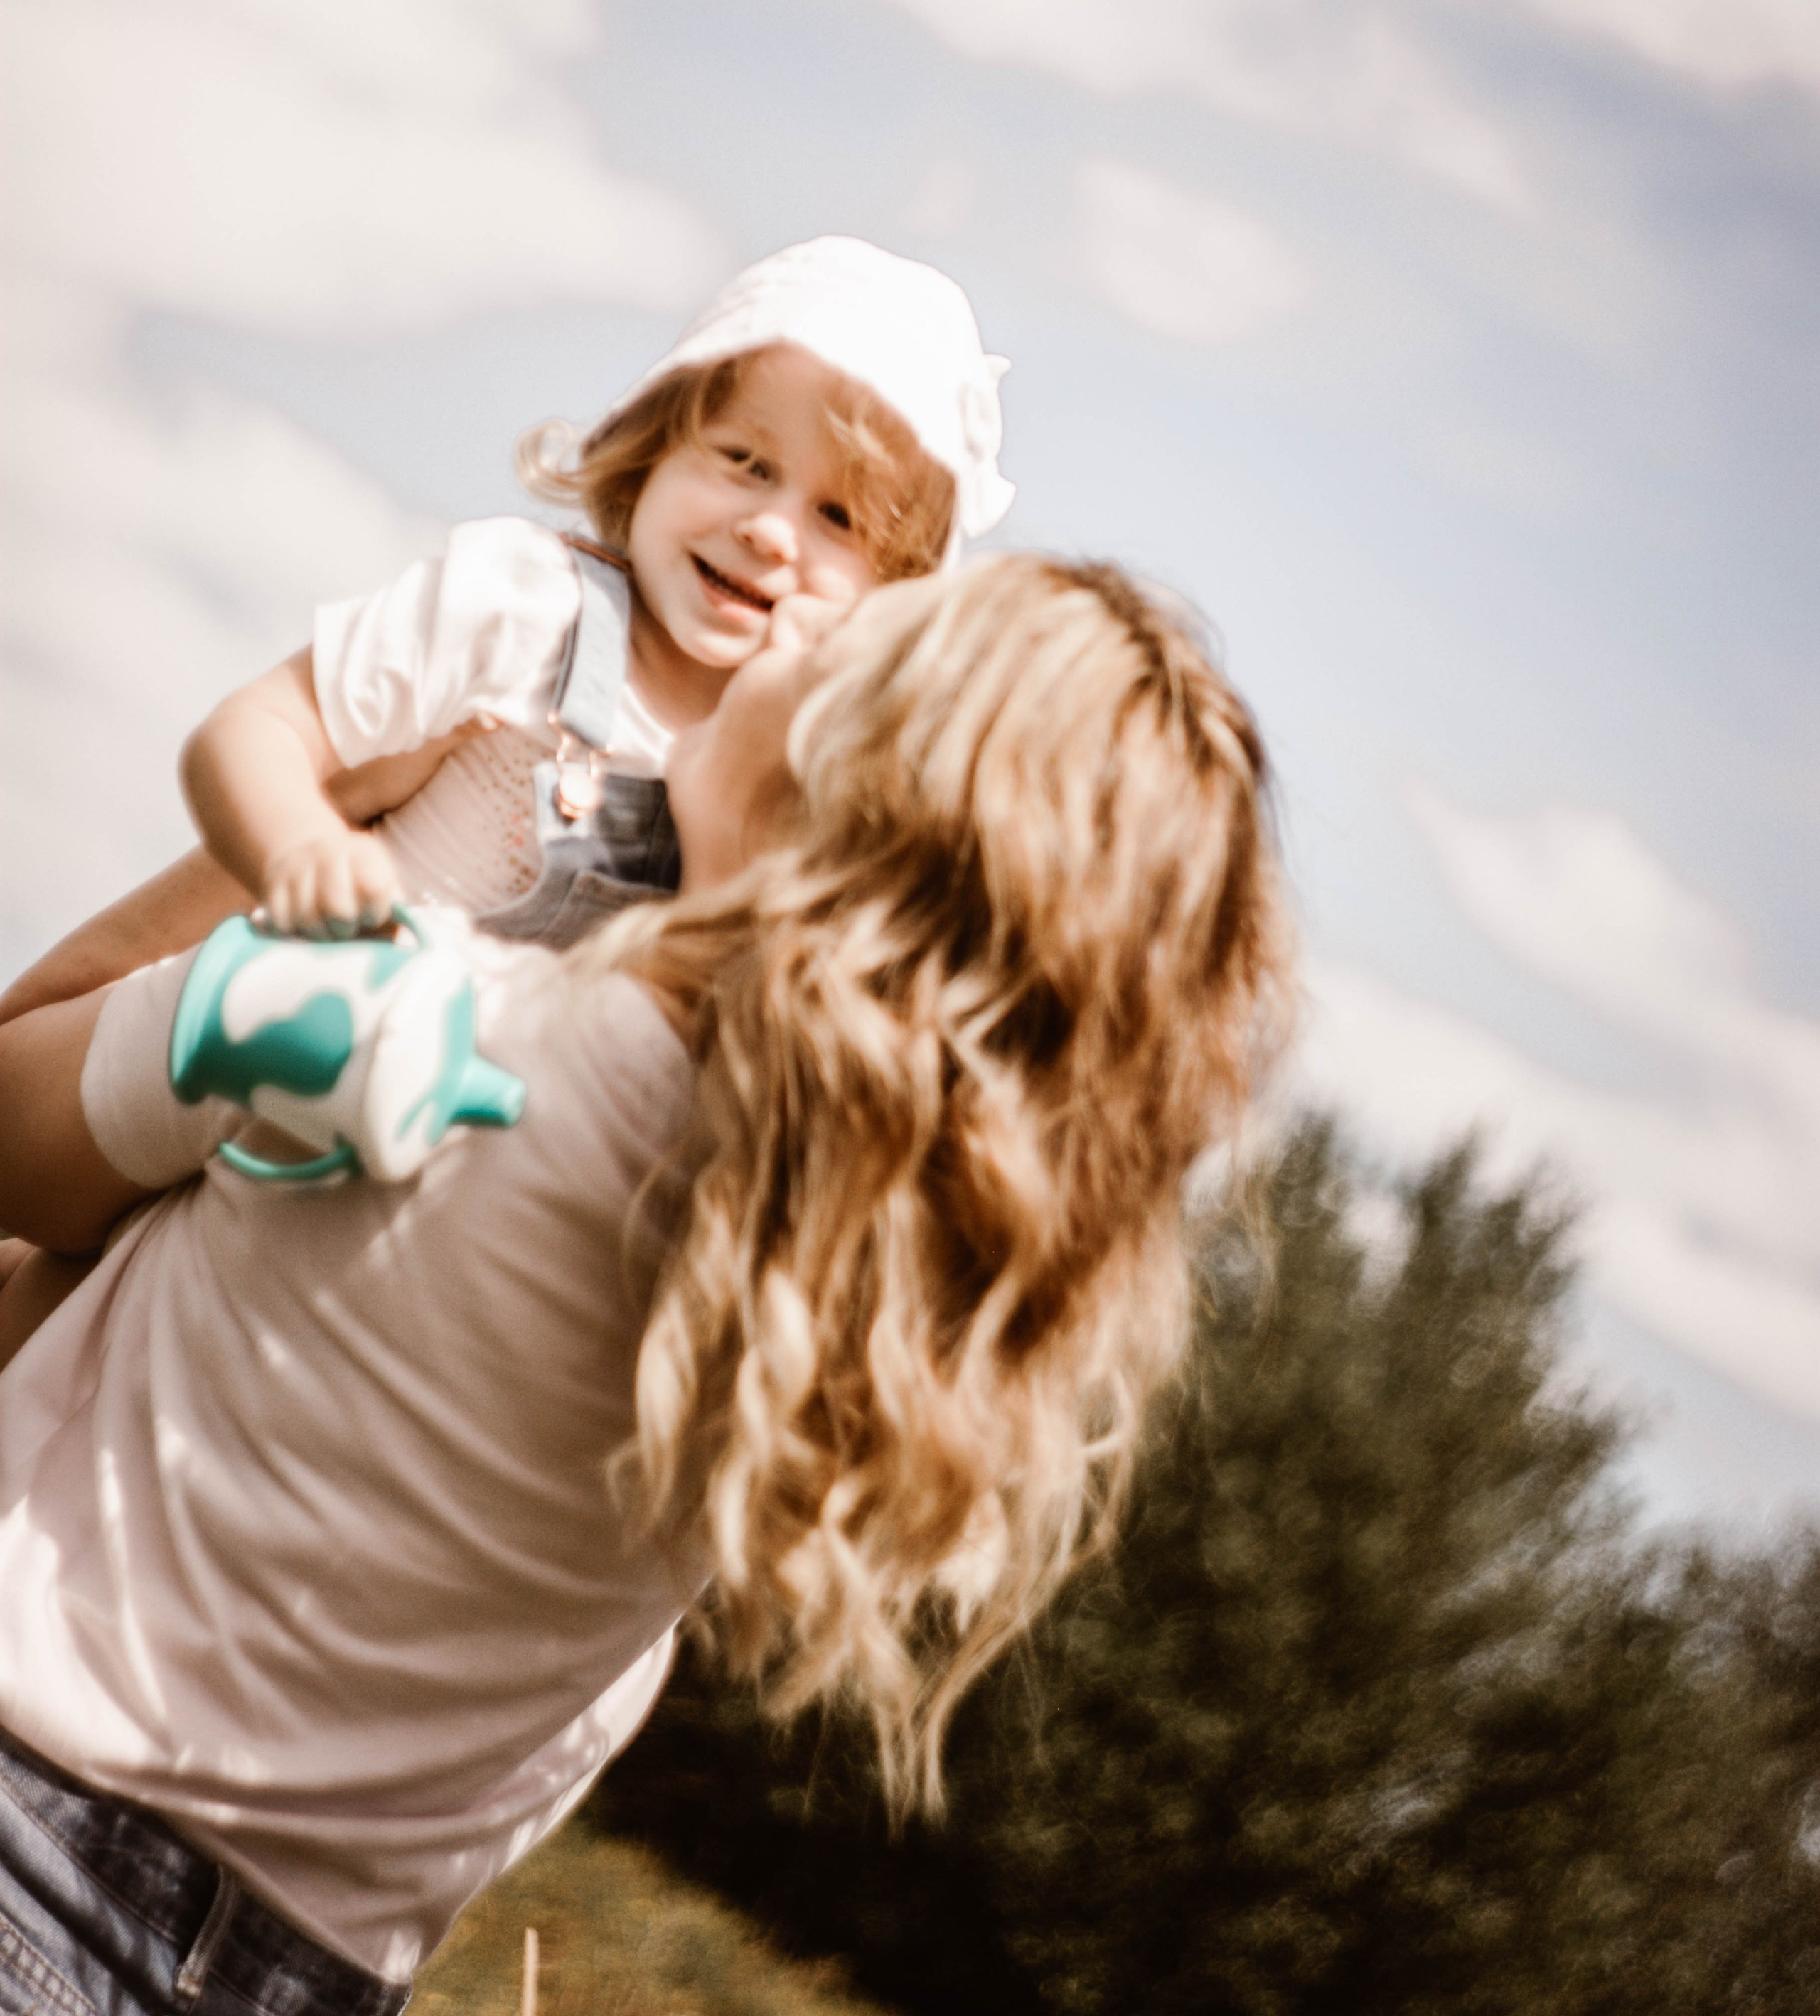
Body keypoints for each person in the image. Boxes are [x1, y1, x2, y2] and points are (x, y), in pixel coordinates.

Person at [0, 554, 1289, 2011]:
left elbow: (13, 1121)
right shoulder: (806, 1333)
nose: (797, 606)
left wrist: (352, 815)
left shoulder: (396, 1012)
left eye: (848, 635)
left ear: (842, 786)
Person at [0, 235, 1012, 1352]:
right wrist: (298, 847)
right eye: (744, 461)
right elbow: (256, 729)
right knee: (55, 1293)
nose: (771, 530)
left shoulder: (809, 792)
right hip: (277, 1049)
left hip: (415, 1222)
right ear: (656, 445)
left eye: (840, 520)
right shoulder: (528, 608)